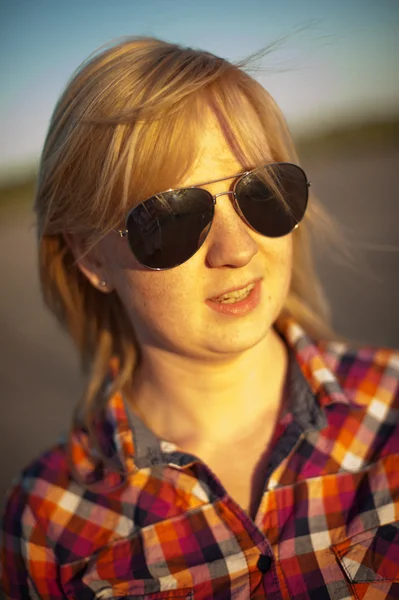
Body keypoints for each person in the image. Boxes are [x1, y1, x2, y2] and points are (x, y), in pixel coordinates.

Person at [1, 37, 398, 600]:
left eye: (261, 191)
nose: (236, 248)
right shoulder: (48, 525)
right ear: (90, 255)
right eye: (170, 217)